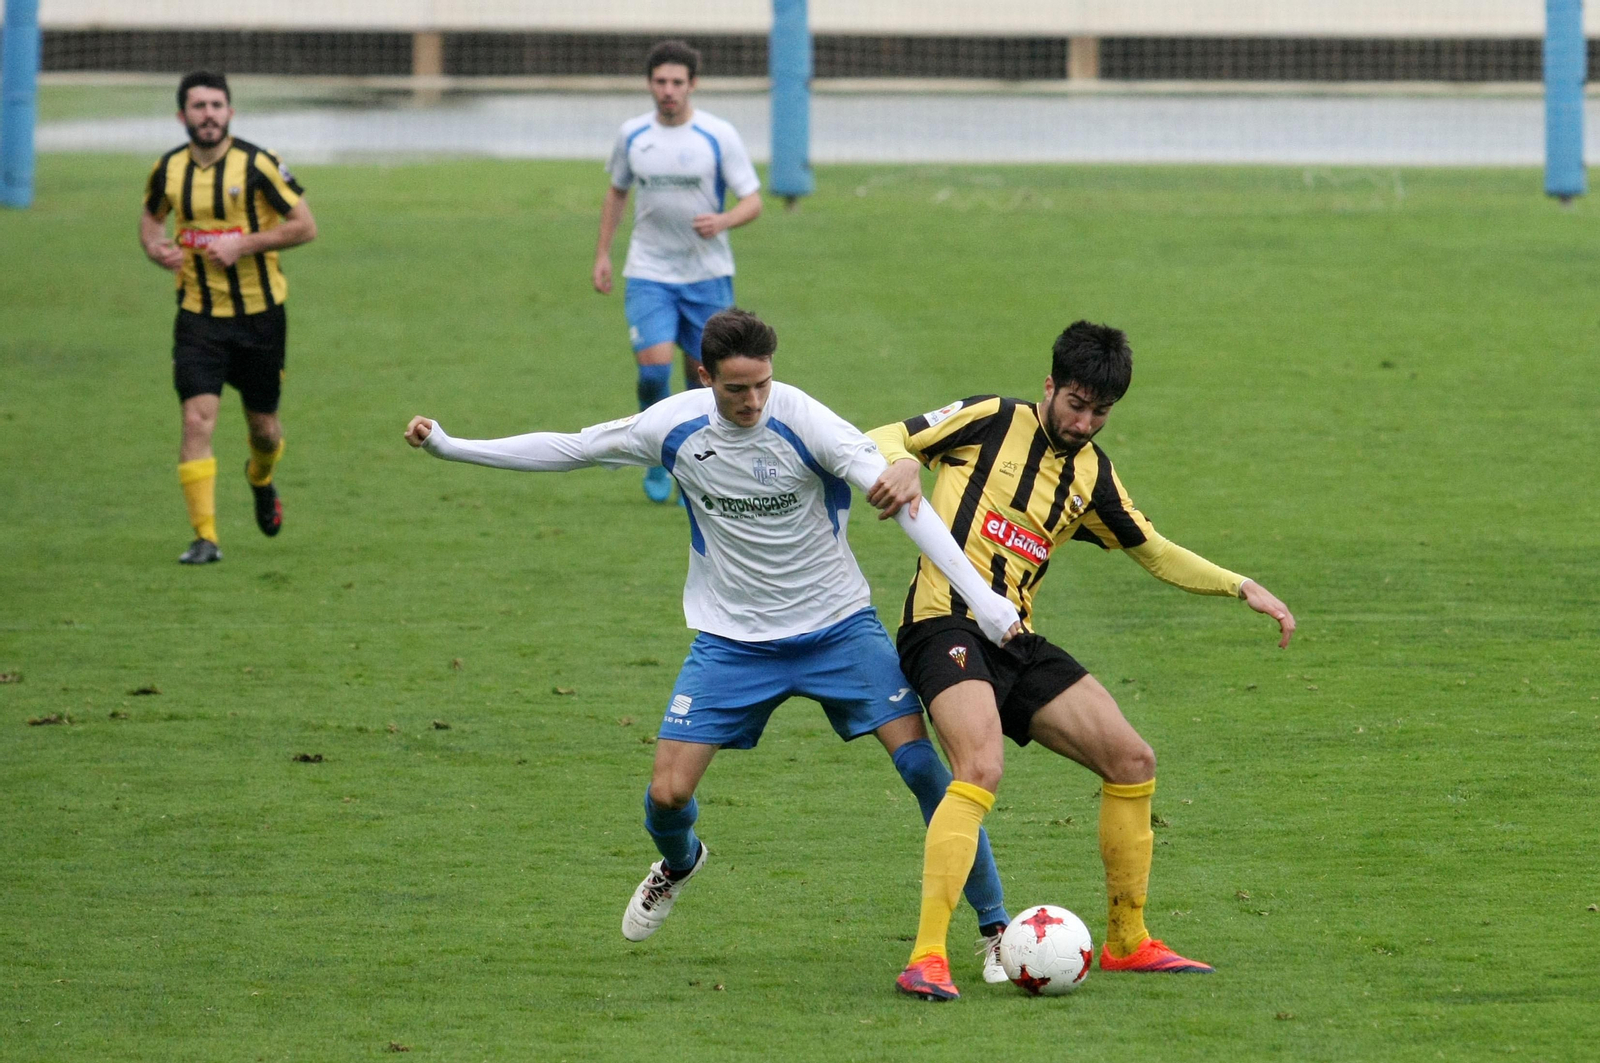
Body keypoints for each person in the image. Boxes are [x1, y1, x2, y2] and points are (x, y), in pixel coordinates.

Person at [404, 309, 1025, 979]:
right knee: (667, 792)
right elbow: (573, 447)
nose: (753, 400)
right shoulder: (673, 427)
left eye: (761, 384)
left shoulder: (807, 421)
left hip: (839, 629)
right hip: (733, 642)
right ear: (705, 377)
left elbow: (908, 505)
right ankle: (679, 861)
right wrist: (450, 445)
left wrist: (985, 602)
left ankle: (996, 929)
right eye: (736, 389)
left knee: (925, 769)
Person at [865, 320, 1297, 1001]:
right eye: (1075, 402)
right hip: (940, 622)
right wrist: (901, 462)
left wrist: (1240, 584)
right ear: (1050, 386)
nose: (1084, 420)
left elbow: (1152, 548)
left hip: (1014, 640)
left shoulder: (1092, 475)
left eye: (1100, 411)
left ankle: (1128, 940)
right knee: (980, 765)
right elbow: (887, 435)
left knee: (1133, 759)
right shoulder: (989, 419)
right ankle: (927, 956)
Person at [139, 71, 318, 564]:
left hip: (261, 320)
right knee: (197, 421)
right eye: (198, 106)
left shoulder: (259, 164)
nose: (209, 114)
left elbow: (306, 226)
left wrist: (246, 243)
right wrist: (156, 251)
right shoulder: (169, 169)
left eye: (217, 105)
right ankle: (206, 537)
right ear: (182, 116)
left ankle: (261, 478)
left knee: (265, 430)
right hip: (198, 319)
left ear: (230, 112)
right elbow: (151, 218)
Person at [593, 40, 762, 504]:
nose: (668, 91)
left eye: (677, 82)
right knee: (653, 373)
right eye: (660, 82)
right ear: (650, 84)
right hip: (649, 272)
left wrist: (723, 220)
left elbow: (753, 200)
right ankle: (653, 457)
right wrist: (603, 254)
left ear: (693, 85)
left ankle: (694, 465)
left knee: (699, 377)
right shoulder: (632, 135)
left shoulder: (717, 135)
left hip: (706, 276)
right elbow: (616, 193)